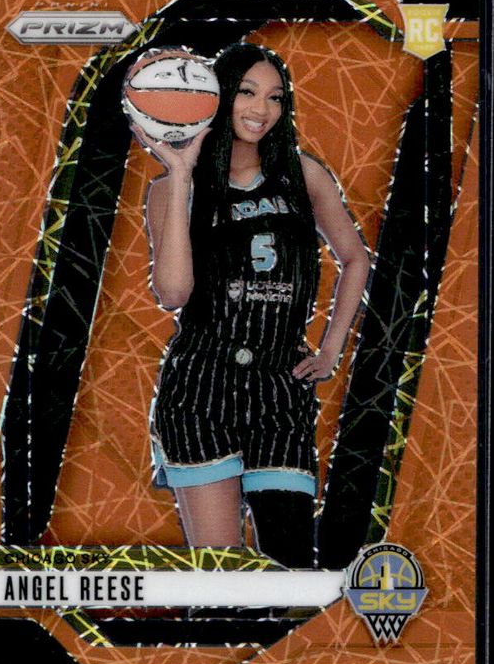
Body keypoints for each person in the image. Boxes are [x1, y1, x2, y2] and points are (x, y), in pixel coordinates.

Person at [133, 42, 370, 568]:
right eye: (246, 92)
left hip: (279, 386)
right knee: (220, 573)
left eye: (275, 97)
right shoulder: (171, 188)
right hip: (202, 387)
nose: (262, 109)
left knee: (291, 562)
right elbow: (172, 293)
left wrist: (330, 351)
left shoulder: (303, 175)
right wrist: (181, 172)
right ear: (217, 98)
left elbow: (355, 259)